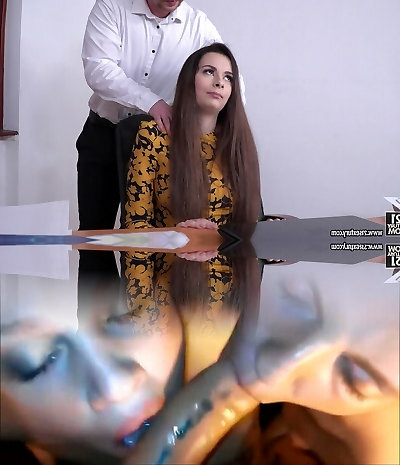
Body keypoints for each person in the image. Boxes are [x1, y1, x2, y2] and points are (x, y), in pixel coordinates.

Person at [77, 0, 223, 232]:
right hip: (104, 134)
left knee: (149, 233)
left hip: (160, 144)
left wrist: (228, 116)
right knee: (93, 232)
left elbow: (226, 72)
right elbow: (98, 69)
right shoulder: (111, 7)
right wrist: (151, 102)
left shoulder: (198, 25)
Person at [124, 42, 260, 233]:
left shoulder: (238, 142)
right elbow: (137, 224)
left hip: (231, 252)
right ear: (189, 80)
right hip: (173, 251)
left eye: (228, 77)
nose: (219, 82)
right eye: (209, 72)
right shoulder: (153, 136)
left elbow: (251, 222)